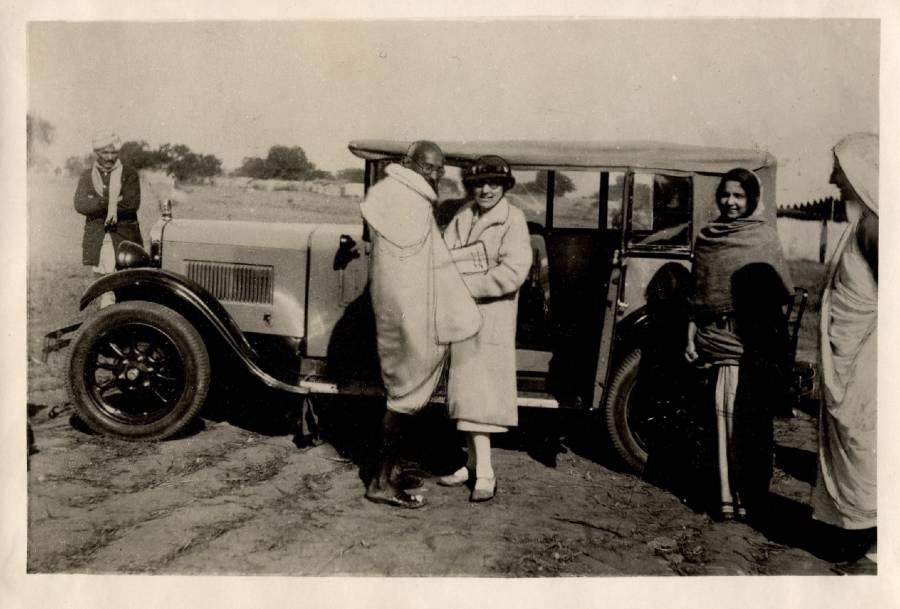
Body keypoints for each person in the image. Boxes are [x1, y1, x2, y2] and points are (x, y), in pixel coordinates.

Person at [360, 140, 481, 509]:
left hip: (403, 309)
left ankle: (388, 472)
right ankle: (379, 483)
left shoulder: (400, 197)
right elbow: (409, 271)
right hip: (407, 314)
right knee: (403, 399)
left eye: (440, 168)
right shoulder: (403, 199)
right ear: (409, 164)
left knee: (406, 398)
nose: (435, 173)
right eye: (429, 167)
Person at [684, 168, 793, 521]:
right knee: (714, 423)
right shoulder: (707, 237)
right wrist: (692, 332)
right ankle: (722, 499)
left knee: (743, 423)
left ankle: (746, 499)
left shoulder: (763, 239)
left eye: (739, 196)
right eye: (726, 195)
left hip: (745, 346)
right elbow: (697, 296)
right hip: (710, 340)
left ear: (751, 200)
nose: (731, 202)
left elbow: (776, 297)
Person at [438, 155, 533, 502]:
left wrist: (467, 285)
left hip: (491, 318)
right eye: (479, 183)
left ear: (505, 186)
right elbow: (444, 257)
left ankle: (487, 473)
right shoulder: (463, 216)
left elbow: (513, 272)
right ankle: (472, 464)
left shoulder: (513, 220)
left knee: (481, 397)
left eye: (494, 183)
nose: (486, 189)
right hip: (461, 319)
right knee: (465, 393)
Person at [810, 133, 878, 564]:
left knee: (869, 442)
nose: (833, 177)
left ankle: (876, 549)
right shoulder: (861, 224)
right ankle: (861, 538)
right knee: (859, 443)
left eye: (840, 169)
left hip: (871, 358)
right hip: (849, 358)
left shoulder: (877, 228)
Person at [73, 130, 142, 307]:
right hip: (98, 237)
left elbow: (131, 204)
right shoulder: (87, 176)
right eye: (105, 152)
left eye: (113, 152)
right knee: (105, 287)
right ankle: (109, 322)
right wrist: (109, 202)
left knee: (123, 285)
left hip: (124, 237)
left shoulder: (129, 174)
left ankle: (115, 320)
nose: (110, 157)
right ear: (96, 153)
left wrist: (95, 202)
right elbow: (80, 204)